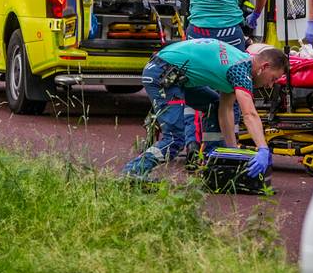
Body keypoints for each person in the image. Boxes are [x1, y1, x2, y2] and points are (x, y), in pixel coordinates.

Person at [121, 38, 286, 181]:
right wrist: (263, 148)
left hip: (173, 75)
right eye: (273, 79)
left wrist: (232, 153)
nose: (270, 85)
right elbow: (249, 114)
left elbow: (225, 109)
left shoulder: (240, 62)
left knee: (213, 104)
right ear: (264, 67)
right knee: (175, 139)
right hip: (162, 75)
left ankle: (212, 160)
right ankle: (132, 171)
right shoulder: (241, 72)